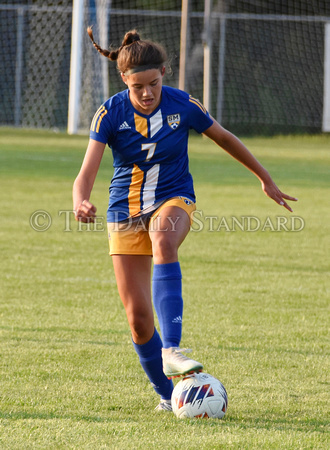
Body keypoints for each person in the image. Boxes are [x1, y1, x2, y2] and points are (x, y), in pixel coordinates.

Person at [73, 27, 297, 412]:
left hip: (174, 198)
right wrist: (80, 200)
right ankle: (167, 395)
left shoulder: (182, 105)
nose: (147, 93)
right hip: (124, 212)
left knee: (163, 237)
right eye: (138, 86)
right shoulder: (109, 113)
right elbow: (87, 172)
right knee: (139, 321)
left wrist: (265, 178)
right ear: (124, 79)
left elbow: (224, 137)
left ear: (164, 72)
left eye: (154, 83)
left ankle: (173, 348)